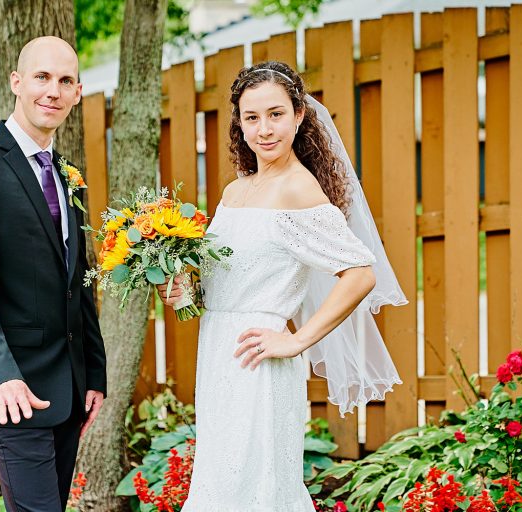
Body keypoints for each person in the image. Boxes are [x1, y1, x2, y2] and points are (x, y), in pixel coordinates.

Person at [158, 61, 406, 510]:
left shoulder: (299, 190)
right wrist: (186, 296)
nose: (264, 129)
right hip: (218, 357)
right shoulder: (237, 191)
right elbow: (230, 281)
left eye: (276, 114)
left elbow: (360, 274)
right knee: (222, 485)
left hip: (261, 361)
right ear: (240, 123)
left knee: (258, 489)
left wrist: (297, 340)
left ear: (299, 116)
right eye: (251, 117)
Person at [0, 36, 107, 512]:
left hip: (68, 390)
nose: (52, 90)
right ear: (16, 82)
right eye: (41, 77)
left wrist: (93, 374)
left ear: (77, 93)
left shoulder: (65, 172)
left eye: (65, 81)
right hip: (14, 390)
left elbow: (77, 280)